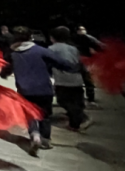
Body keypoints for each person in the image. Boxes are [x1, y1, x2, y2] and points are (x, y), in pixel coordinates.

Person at [5, 26, 76, 156]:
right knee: (45, 115)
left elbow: (6, 70)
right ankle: (45, 140)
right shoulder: (41, 50)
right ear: (31, 37)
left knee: (30, 114)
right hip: (44, 89)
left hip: (25, 90)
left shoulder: (13, 54)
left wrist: (4, 74)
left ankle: (35, 134)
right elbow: (62, 63)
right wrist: (74, 67)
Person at [50, 27, 93, 132]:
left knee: (63, 100)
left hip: (62, 80)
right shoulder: (73, 49)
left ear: (52, 38)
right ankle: (77, 116)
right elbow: (80, 63)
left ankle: (76, 122)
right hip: (77, 80)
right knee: (76, 100)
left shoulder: (51, 49)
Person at [73, 26, 102, 109]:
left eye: (83, 29)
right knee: (83, 80)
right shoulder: (75, 38)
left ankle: (90, 98)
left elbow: (99, 46)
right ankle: (84, 98)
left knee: (87, 79)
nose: (82, 31)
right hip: (79, 60)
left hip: (84, 60)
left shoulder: (88, 38)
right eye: (80, 30)